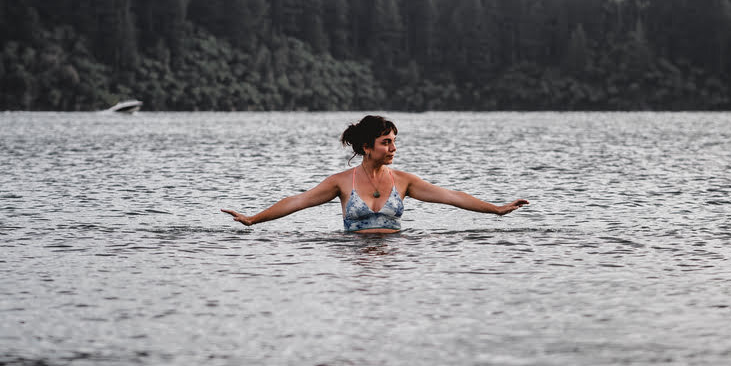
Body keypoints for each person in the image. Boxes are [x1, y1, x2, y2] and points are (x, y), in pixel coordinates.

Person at [220, 114, 529, 233]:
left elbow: (452, 196)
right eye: (386, 142)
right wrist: (252, 219)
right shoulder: (342, 182)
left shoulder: (404, 181)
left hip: (395, 257)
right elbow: (297, 201)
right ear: (367, 147)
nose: (393, 148)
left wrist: (497, 209)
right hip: (354, 255)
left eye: (394, 141)